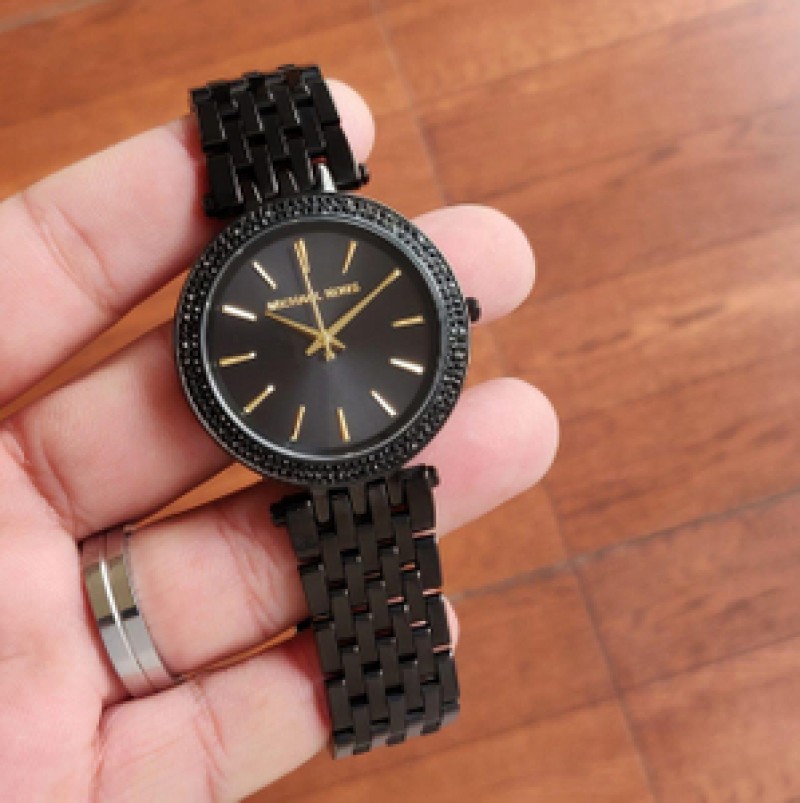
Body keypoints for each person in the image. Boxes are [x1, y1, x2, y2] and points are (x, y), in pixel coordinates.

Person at [0, 80, 558, 801]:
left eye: (333, 334)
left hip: (348, 446)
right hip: (308, 446)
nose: (325, 343)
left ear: (455, 313)